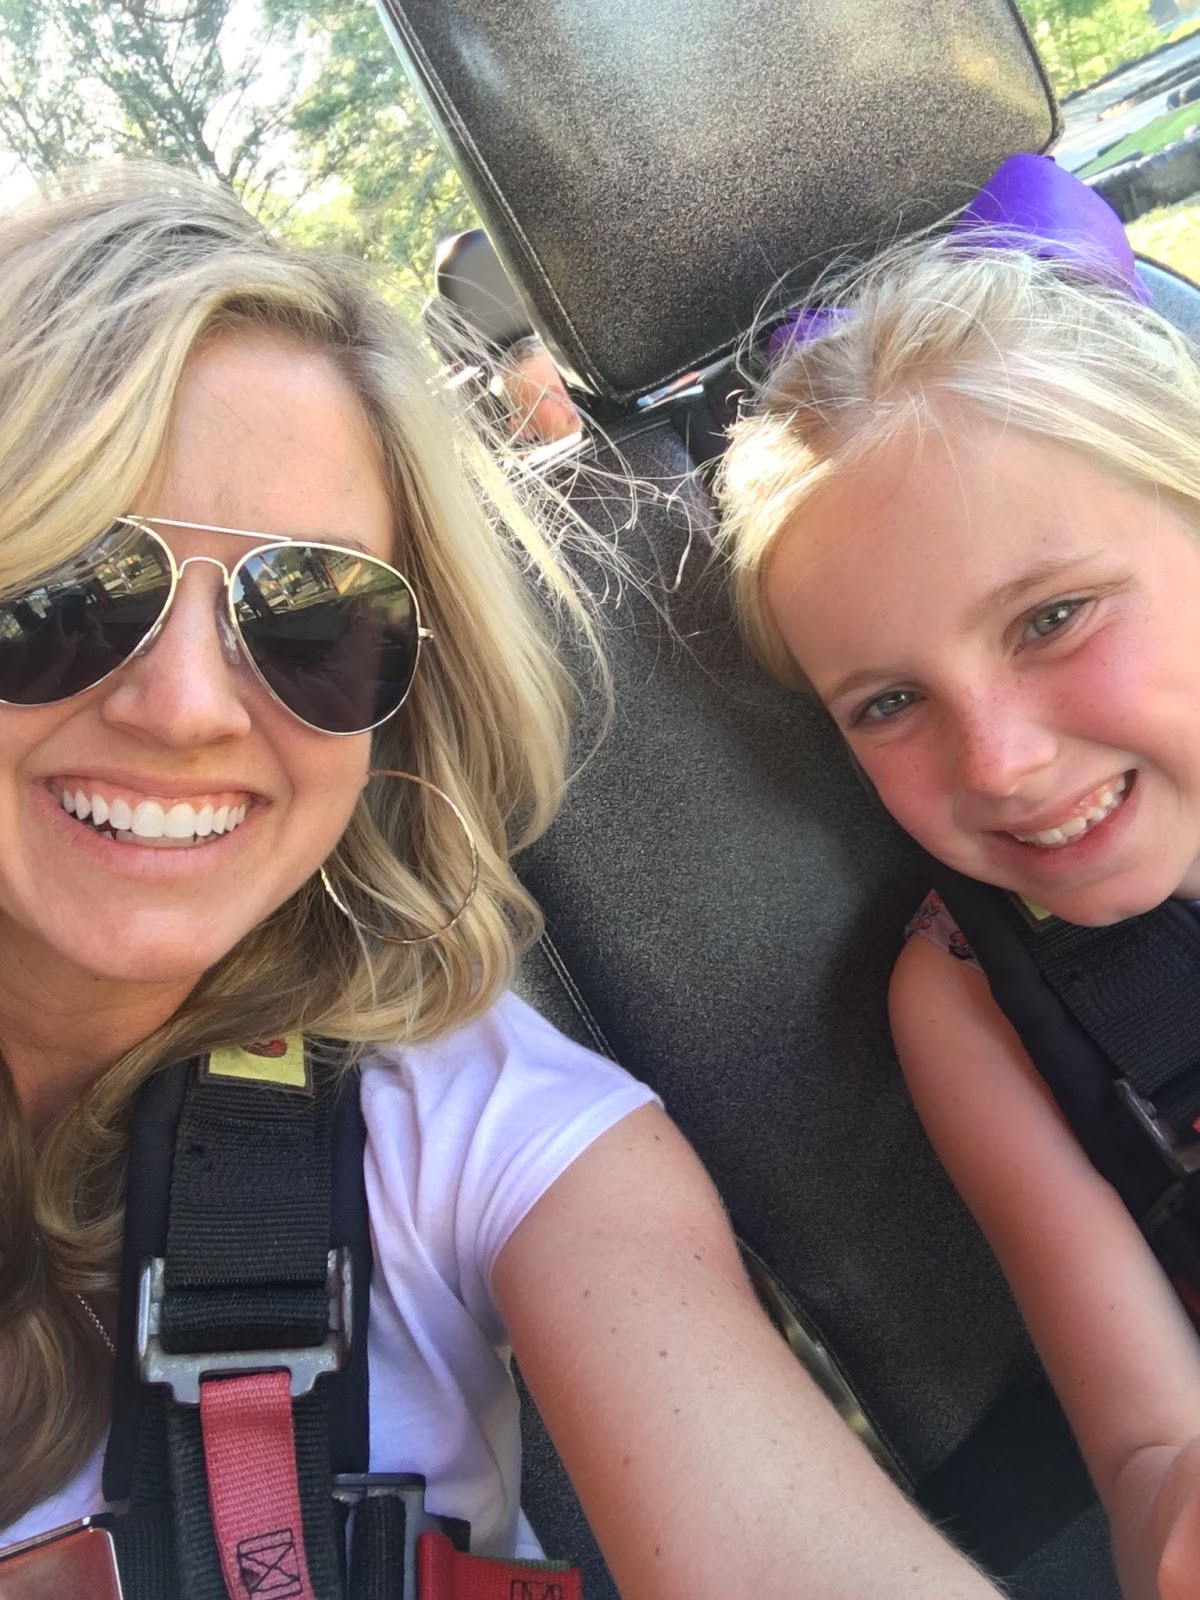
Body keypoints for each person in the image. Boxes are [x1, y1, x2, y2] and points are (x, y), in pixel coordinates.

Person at [0, 163, 1003, 1600]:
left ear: (400, 706)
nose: (187, 708)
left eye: (312, 618)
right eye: (69, 586)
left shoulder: (470, 1132)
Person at [719, 158, 1200, 1600]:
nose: (1000, 763)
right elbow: (1149, 1455)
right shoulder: (968, 1000)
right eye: (887, 704)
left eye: (1052, 618)